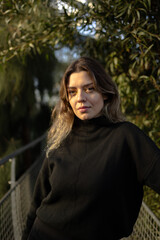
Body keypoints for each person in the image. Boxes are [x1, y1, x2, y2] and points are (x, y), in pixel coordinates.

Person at [22, 56, 160, 240]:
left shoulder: (126, 137)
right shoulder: (60, 141)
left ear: (105, 93)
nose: (80, 98)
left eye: (90, 89)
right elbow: (37, 202)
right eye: (72, 92)